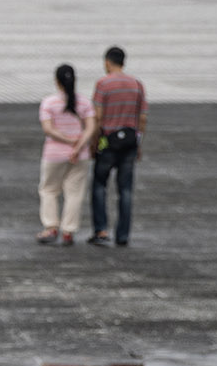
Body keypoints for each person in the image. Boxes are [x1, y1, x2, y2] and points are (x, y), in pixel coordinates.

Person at [86, 47, 144, 248]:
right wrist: (139, 143)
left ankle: (101, 230)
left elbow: (98, 117)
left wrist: (94, 143)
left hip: (108, 142)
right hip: (129, 143)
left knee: (99, 185)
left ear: (108, 62)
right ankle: (123, 235)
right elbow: (142, 117)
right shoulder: (137, 84)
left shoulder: (103, 84)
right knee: (126, 190)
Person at [36, 64, 92, 246]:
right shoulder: (84, 102)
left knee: (49, 189)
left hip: (54, 154)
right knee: (74, 193)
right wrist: (78, 146)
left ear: (56, 81)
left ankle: (51, 226)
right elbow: (91, 127)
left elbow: (48, 129)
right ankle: (68, 231)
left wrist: (68, 141)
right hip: (81, 154)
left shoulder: (49, 102)